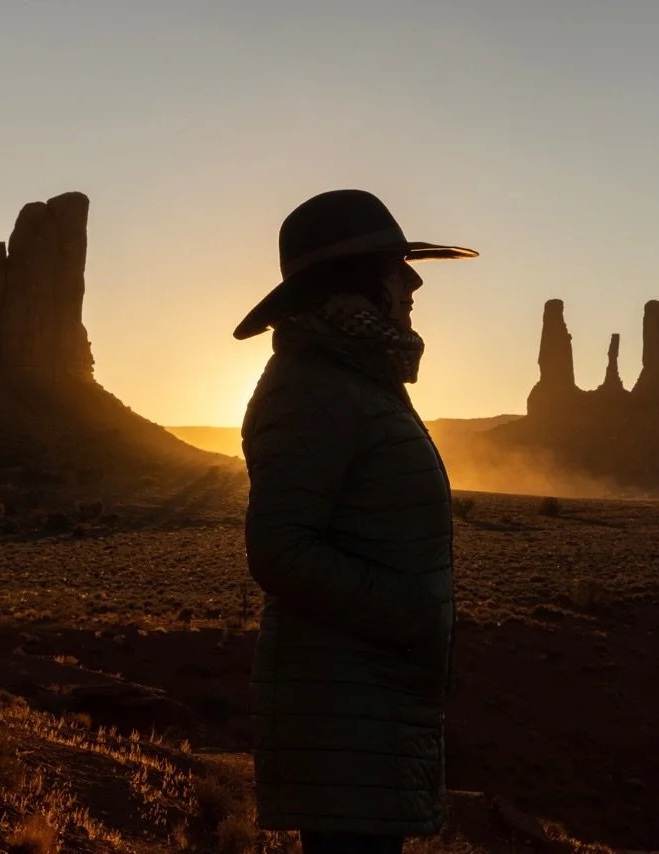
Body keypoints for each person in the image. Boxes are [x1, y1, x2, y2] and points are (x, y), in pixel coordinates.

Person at [234, 189, 478, 854]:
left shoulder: (358, 378)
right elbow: (278, 549)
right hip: (341, 709)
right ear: (358, 283)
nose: (414, 280)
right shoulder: (312, 385)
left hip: (369, 702)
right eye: (398, 267)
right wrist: (409, 616)